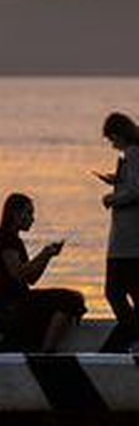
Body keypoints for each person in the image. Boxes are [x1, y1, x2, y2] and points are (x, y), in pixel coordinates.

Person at [0, 192, 85, 352]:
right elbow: (19, 274)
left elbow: (31, 279)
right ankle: (47, 352)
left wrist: (48, 256)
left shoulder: (15, 240)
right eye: (29, 213)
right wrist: (44, 254)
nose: (32, 219)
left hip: (20, 299)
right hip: (10, 304)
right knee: (70, 300)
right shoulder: (6, 239)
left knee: (74, 299)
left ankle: (45, 347)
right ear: (15, 214)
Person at [95, 111, 139, 350]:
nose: (112, 145)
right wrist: (117, 181)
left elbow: (135, 190)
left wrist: (111, 198)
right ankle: (133, 336)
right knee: (133, 290)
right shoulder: (133, 155)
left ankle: (133, 336)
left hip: (127, 241)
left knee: (114, 291)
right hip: (130, 241)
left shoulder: (133, 153)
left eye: (112, 139)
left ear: (120, 134)